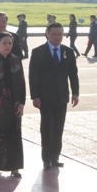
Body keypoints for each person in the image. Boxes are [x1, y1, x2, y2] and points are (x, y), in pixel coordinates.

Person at [28, 22, 79, 169]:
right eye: (54, 34)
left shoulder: (67, 52)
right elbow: (33, 75)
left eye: (60, 34)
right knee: (47, 127)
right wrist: (35, 96)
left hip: (61, 96)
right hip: (45, 97)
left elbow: (73, 74)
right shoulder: (38, 52)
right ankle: (46, 158)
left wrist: (75, 93)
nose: (57, 37)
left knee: (58, 128)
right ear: (47, 34)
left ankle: (55, 157)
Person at [0, 32, 26, 177]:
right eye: (4, 43)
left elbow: (22, 83)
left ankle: (14, 167)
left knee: (14, 134)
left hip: (13, 102)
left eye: (10, 43)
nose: (7, 46)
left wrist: (22, 103)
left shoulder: (16, 60)